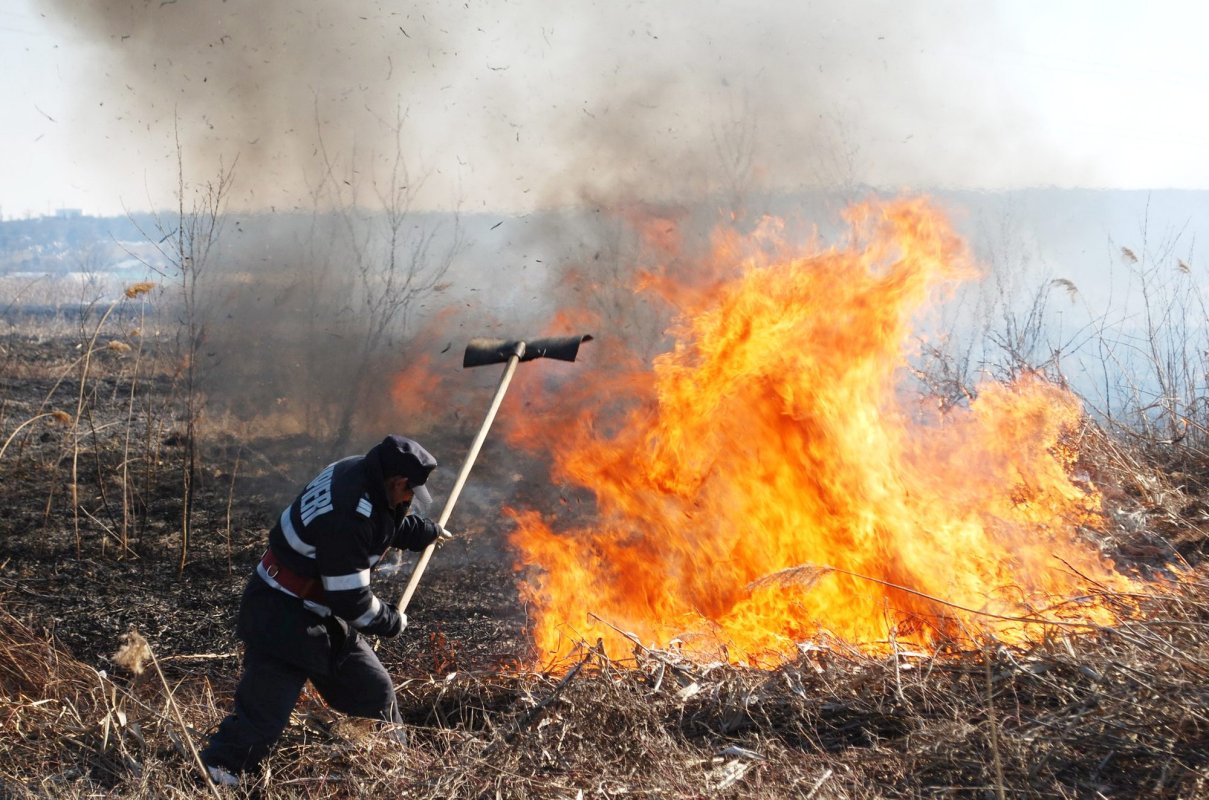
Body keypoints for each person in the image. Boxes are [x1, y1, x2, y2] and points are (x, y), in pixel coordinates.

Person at [200, 435, 451, 786]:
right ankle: (217, 774)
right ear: (396, 481)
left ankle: (394, 771)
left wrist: (420, 532)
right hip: (281, 613)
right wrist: (392, 622)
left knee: (374, 691)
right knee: (263, 717)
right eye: (410, 493)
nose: (409, 500)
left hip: (318, 610)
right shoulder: (348, 516)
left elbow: (379, 521)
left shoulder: (356, 469)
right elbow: (353, 601)